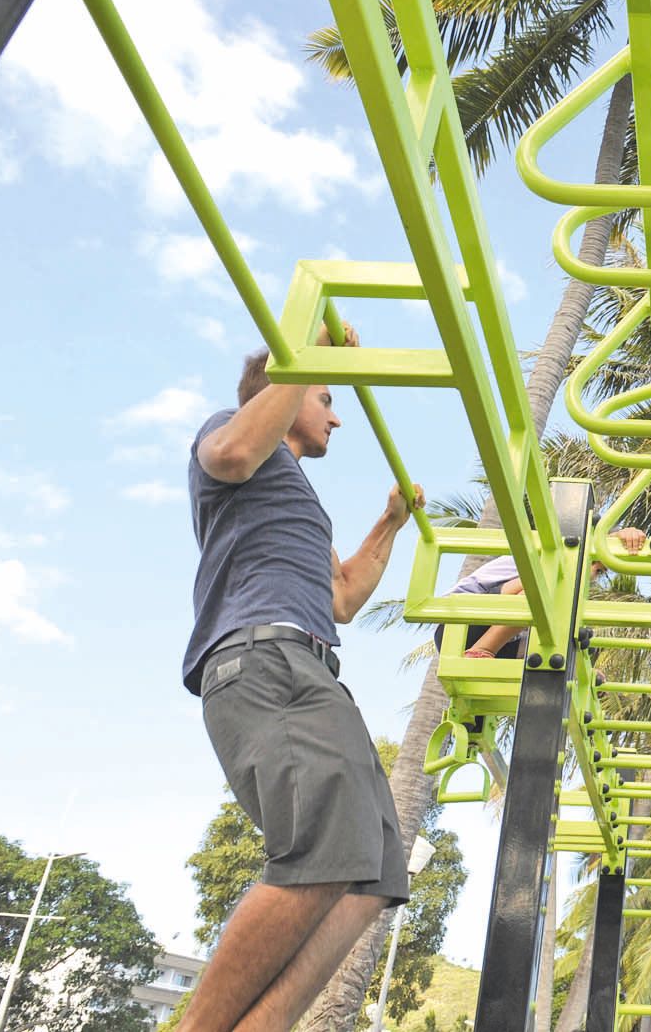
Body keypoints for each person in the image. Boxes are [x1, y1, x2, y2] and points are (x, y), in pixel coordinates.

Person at [179, 327, 425, 1032]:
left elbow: (344, 596)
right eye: (324, 395)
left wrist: (390, 524)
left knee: (375, 872)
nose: (338, 416)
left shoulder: (301, 505)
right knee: (321, 846)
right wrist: (308, 353)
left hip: (309, 665)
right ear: (281, 391)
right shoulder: (227, 434)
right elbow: (230, 455)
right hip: (264, 659)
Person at [435, 526, 647, 660]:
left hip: (503, 641)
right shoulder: (546, 556)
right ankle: (483, 649)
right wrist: (619, 535)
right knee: (550, 583)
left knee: (567, 645)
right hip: (462, 622)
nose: (592, 575)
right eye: (593, 564)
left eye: (599, 571)